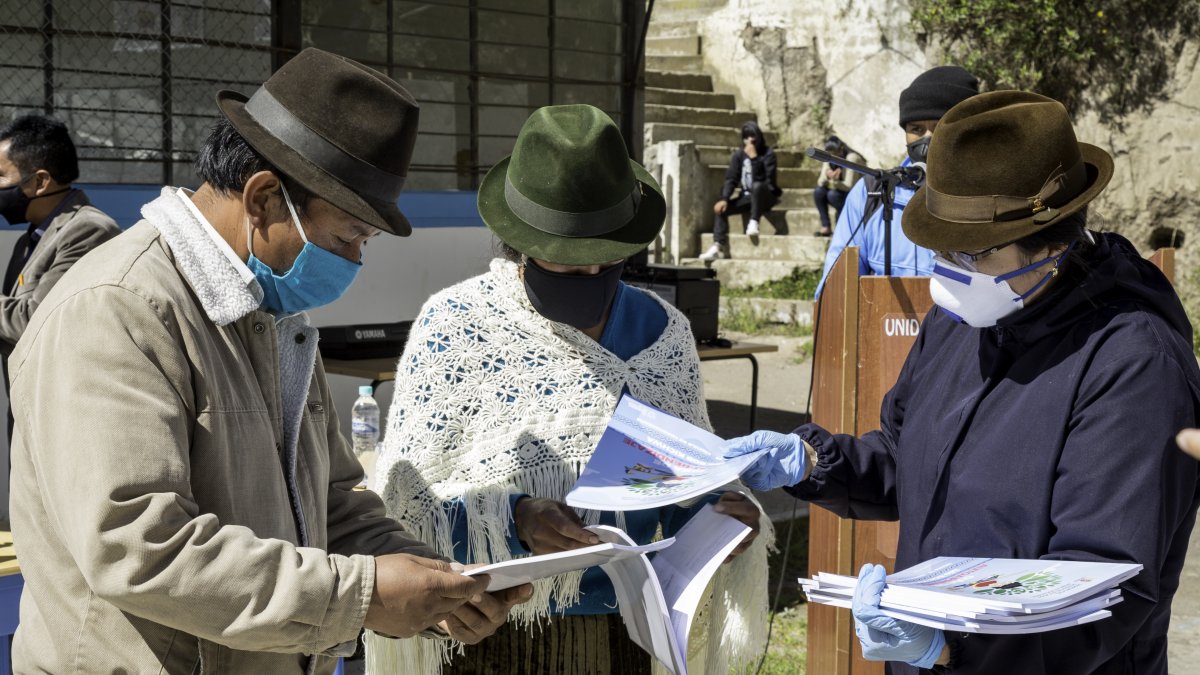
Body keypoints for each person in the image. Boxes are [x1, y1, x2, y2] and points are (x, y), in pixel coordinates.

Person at [8, 48, 530, 673]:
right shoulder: (118, 309)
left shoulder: (271, 314)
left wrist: (429, 580)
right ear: (263, 199)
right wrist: (360, 596)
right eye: (346, 237)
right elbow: (137, 549)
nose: (356, 263)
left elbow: (330, 500)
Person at [724, 91, 1200, 674]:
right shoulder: (962, 318)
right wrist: (810, 462)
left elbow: (1105, 587)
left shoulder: (1133, 365)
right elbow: (905, 457)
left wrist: (953, 651)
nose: (946, 273)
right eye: (941, 250)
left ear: (1052, 247)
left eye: (970, 254)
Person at [370, 104, 771, 675]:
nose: (589, 278)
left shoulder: (664, 333)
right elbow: (406, 501)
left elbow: (683, 484)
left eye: (604, 261)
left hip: (628, 632)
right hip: (492, 634)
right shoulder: (456, 327)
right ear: (521, 241)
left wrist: (722, 518)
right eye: (566, 262)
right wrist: (515, 517)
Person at [0, 115, 120, 445]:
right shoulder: (30, 239)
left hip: (63, 421)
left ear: (40, 181)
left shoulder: (88, 230)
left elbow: (35, 321)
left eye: (1, 175)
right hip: (28, 412)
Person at [814, 65, 979, 297]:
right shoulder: (871, 194)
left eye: (940, 126)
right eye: (916, 128)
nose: (927, 139)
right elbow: (834, 292)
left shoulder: (991, 197)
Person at [699, 120, 782, 261]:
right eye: (746, 137)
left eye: (753, 136)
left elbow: (768, 182)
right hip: (748, 198)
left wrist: (754, 158)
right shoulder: (739, 155)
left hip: (766, 196)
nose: (750, 140)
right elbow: (731, 178)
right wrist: (724, 198)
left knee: (757, 186)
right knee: (721, 208)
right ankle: (718, 246)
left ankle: (754, 221)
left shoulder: (768, 154)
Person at [813, 134, 866, 237]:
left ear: (841, 149)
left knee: (833, 195)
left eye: (835, 153)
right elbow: (820, 182)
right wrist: (827, 176)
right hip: (841, 191)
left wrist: (833, 182)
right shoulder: (829, 157)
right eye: (830, 154)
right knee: (818, 192)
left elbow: (850, 186)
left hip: (858, 194)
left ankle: (843, 227)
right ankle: (826, 226)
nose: (833, 156)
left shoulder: (851, 158)